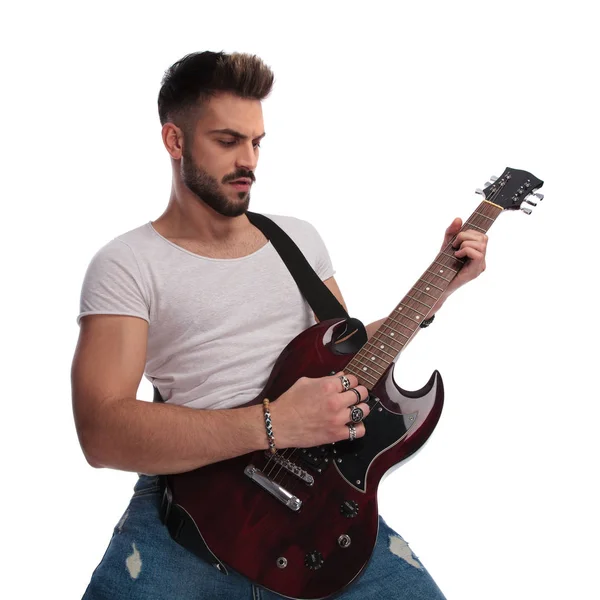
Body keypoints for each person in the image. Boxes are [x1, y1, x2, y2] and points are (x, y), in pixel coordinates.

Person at [72, 50, 488, 600]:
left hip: (318, 510)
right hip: (191, 517)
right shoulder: (128, 263)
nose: (249, 160)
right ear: (175, 141)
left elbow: (350, 359)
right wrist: (275, 424)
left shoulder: (298, 239)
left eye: (256, 142)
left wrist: (440, 286)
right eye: (227, 141)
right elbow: (102, 434)